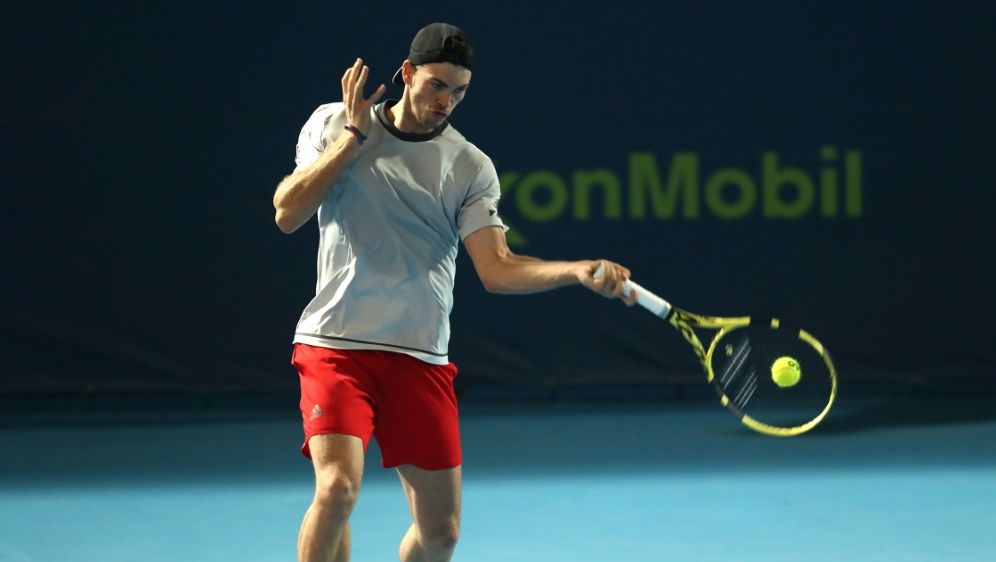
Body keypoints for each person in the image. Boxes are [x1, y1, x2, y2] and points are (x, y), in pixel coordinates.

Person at [273, 22, 634, 562]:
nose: (447, 100)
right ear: (408, 74)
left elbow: (497, 268)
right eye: (437, 84)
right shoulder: (334, 121)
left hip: (419, 356)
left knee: (441, 535)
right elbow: (286, 212)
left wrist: (573, 270)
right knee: (337, 489)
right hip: (335, 344)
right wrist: (350, 138)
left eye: (459, 91)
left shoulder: (469, 166)